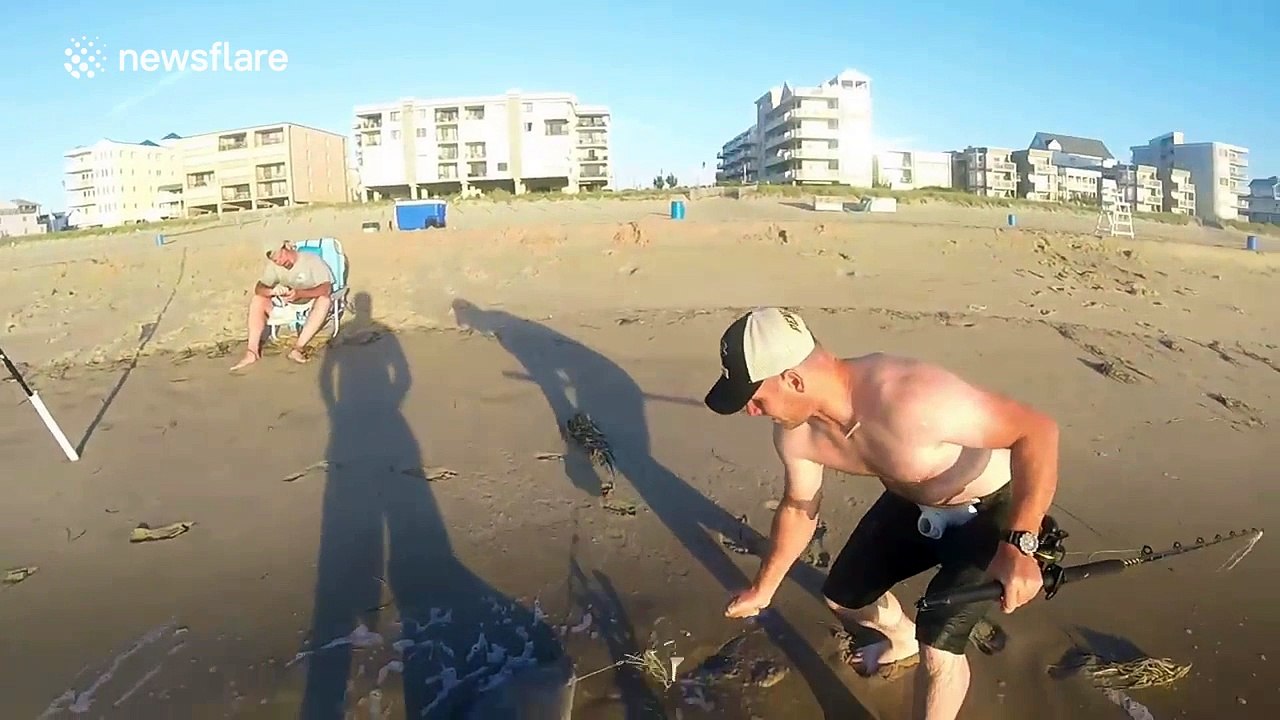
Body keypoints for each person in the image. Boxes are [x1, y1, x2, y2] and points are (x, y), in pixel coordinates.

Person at [704, 307, 1059, 720]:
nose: (752, 410)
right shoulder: (796, 434)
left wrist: (1020, 542)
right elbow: (799, 510)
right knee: (843, 597)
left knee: (938, 643)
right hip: (913, 503)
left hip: (994, 509)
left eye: (755, 398)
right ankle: (899, 638)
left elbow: (1036, 429)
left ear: (794, 380)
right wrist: (764, 589)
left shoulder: (911, 397)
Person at [231, 238, 334, 370]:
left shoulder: (311, 260)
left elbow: (326, 288)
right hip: (287, 304)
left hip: (310, 302)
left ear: (287, 248)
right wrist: (271, 291)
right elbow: (259, 288)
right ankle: (252, 352)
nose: (279, 262)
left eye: (280, 256)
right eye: (275, 260)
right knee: (258, 299)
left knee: (325, 300)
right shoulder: (275, 267)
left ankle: (297, 348)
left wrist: (299, 294)